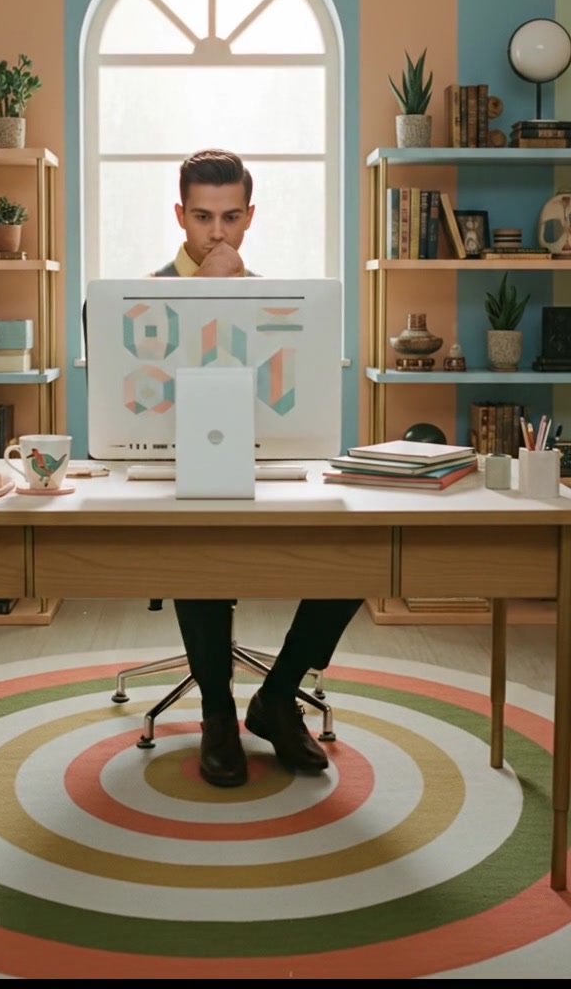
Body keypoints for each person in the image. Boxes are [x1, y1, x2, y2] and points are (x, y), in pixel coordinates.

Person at [152, 148, 362, 788]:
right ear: (180, 216)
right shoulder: (138, 297)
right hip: (177, 477)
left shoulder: (280, 304)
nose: (217, 234)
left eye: (231, 217)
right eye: (203, 217)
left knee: (359, 551)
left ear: (249, 217)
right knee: (197, 547)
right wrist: (207, 289)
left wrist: (237, 291)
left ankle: (277, 694)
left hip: (269, 469)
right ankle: (218, 713)